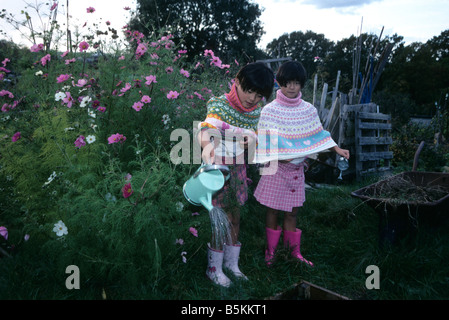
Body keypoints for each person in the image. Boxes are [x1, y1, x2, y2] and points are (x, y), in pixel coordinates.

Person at [254, 60, 350, 267]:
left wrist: (336, 149)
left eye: (296, 83)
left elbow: (319, 134)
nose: (291, 87)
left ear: (301, 85)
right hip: (276, 169)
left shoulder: (308, 110)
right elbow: (265, 139)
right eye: (287, 82)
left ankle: (293, 253)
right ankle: (270, 252)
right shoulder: (269, 110)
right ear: (279, 82)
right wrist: (280, 156)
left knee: (292, 212)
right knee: (272, 210)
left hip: (297, 170)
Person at [198, 62, 274, 287]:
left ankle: (232, 264)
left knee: (235, 216)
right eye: (249, 90)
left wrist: (251, 143)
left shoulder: (257, 113)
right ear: (237, 82)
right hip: (218, 169)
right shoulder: (220, 105)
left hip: (238, 169)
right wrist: (207, 147)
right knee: (220, 219)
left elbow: (255, 141)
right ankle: (214, 268)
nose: (252, 98)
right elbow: (206, 129)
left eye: (259, 95)